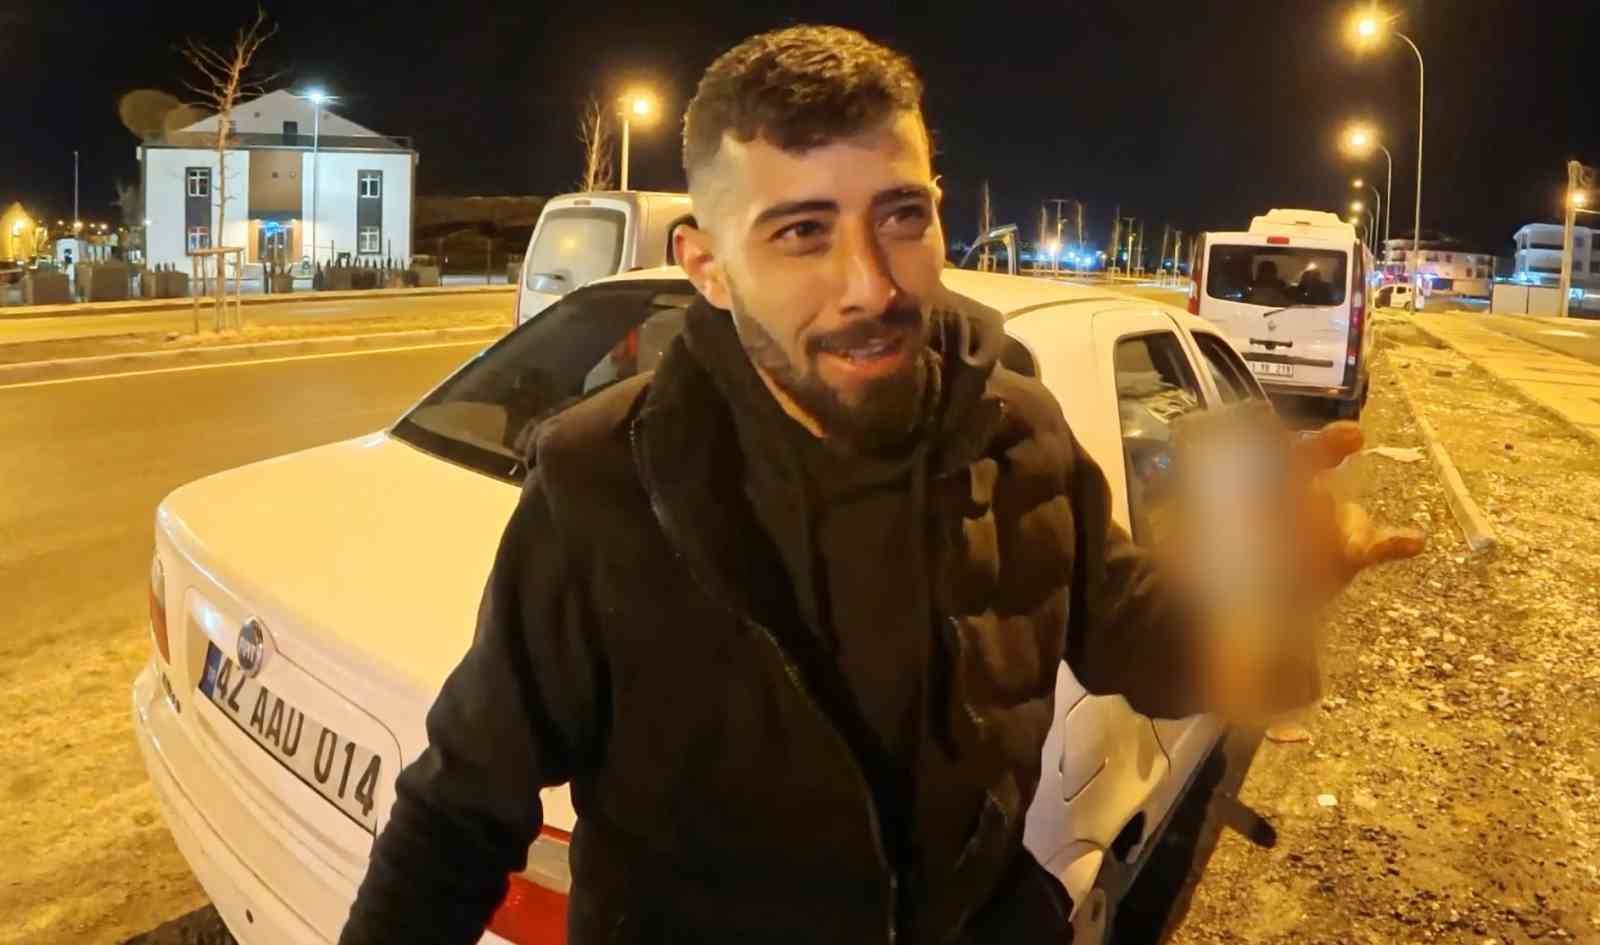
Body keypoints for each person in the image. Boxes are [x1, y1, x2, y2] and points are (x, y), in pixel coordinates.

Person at [338, 25, 1421, 945]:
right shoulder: (607, 485)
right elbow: (455, 816)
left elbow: (1151, 646)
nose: (870, 283)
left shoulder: (1020, 431)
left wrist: (1273, 591)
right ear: (708, 265)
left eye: (901, 216)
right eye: (801, 232)